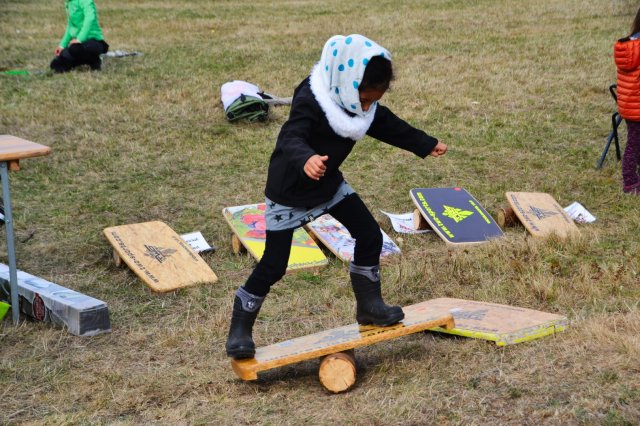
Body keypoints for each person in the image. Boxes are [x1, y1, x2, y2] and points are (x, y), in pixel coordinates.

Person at [226, 34, 448, 359]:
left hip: (329, 187)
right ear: (348, 82)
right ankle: (239, 330)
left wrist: (424, 143)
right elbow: (291, 134)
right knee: (274, 265)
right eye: (367, 99)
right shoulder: (313, 97)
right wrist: (306, 158)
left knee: (370, 235)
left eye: (375, 99)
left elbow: (384, 123)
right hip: (289, 193)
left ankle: (370, 306)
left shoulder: (361, 102)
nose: (369, 106)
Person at [614, 7, 640, 195]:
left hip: (629, 105)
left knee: (635, 142)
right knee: (634, 145)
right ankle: (630, 183)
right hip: (637, 106)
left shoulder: (629, 45)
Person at [50, 0, 109, 73]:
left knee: (75, 49)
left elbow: (89, 19)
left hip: (95, 41)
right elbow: (71, 26)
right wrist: (62, 45)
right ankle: (82, 61)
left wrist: (80, 39)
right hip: (79, 45)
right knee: (55, 65)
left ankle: (95, 60)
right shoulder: (68, 2)